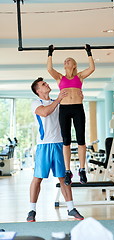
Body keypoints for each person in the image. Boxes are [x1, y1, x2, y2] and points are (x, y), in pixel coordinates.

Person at [26, 77, 84, 222]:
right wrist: (58, 100)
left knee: (64, 178)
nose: (47, 84)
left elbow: (71, 111)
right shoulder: (36, 103)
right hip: (44, 145)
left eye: (46, 83)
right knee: (37, 178)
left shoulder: (58, 102)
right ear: (38, 91)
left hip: (59, 144)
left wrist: (79, 97)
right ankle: (32, 210)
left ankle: (71, 208)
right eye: (43, 84)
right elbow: (45, 113)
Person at [47, 44, 95, 186]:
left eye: (69, 60)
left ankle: (82, 169)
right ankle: (68, 171)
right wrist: (50, 53)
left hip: (78, 108)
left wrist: (89, 52)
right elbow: (49, 69)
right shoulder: (60, 78)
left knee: (81, 139)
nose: (66, 61)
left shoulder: (79, 77)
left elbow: (92, 68)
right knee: (66, 140)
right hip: (64, 109)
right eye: (65, 61)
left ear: (74, 65)